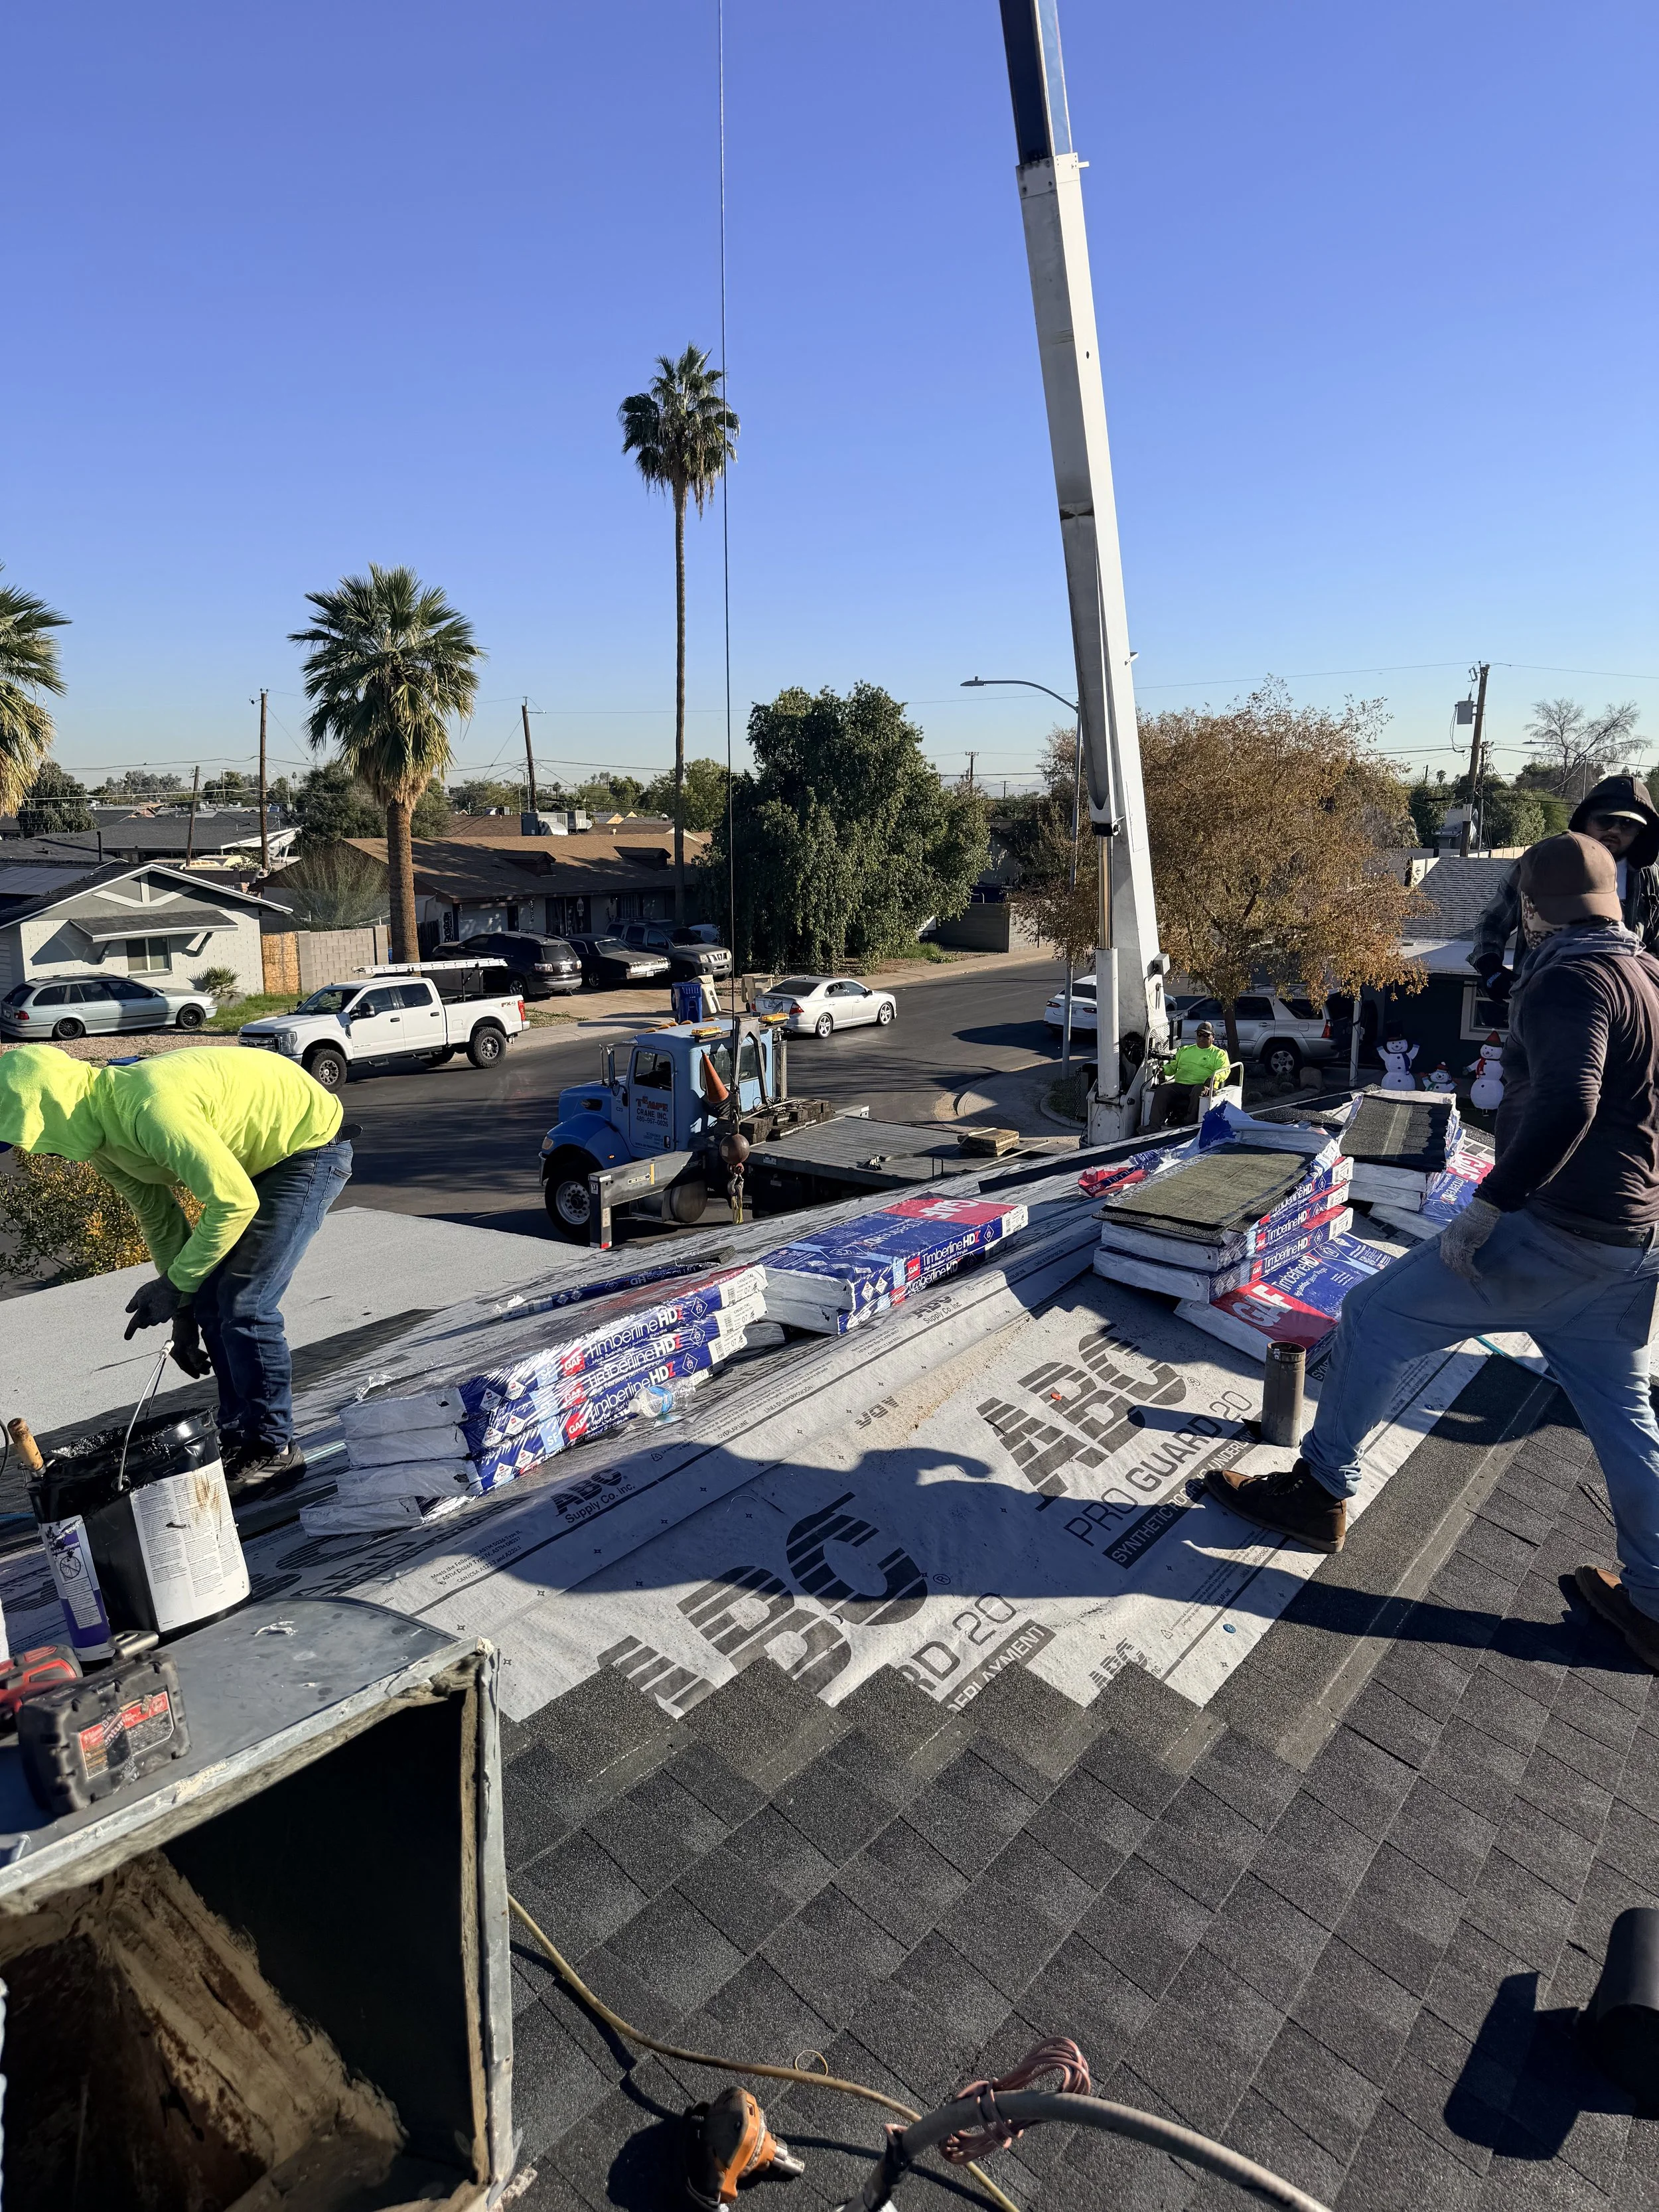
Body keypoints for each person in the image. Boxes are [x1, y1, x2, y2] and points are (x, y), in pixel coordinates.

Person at [1205, 832, 1659, 1670]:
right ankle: (1655, 1601)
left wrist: (1489, 1207)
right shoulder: (1643, 972)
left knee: (1372, 1316)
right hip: (1626, 1245)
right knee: (1625, 1421)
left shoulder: (1569, 978)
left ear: (1533, 908)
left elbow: (1570, 1103)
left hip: (1551, 1234)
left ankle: (1319, 1491)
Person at [0, 1045, 351, 1497]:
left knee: (244, 1301)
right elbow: (161, 1220)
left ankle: (274, 1448)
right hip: (253, 1159)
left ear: (48, 1109)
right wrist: (184, 1314)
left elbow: (234, 1202)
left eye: (27, 1137)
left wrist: (173, 1284)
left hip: (308, 1148)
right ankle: (239, 1434)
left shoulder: (148, 1108)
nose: (38, 1152)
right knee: (209, 1297)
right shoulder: (100, 1141)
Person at [1471, 773, 1659, 1005]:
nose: (1615, 830)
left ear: (1642, 831)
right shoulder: (1542, 862)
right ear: (1585, 821)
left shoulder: (1649, 879)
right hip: (1543, 1000)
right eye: (1605, 821)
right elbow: (1493, 920)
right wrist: (1490, 966)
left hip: (1619, 1007)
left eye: (1628, 824)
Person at [1145, 1021, 1232, 1130]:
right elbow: (1172, 1067)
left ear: (1213, 1037)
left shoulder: (1219, 1054)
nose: (1202, 1038)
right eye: (1199, 1034)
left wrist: (1214, 1078)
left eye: (1206, 1035)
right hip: (1181, 1084)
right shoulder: (1185, 1050)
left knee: (1197, 1091)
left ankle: (1188, 1126)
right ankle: (1153, 1127)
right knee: (1162, 1090)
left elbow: (1224, 1071)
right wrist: (1163, 1070)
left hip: (1203, 1085)